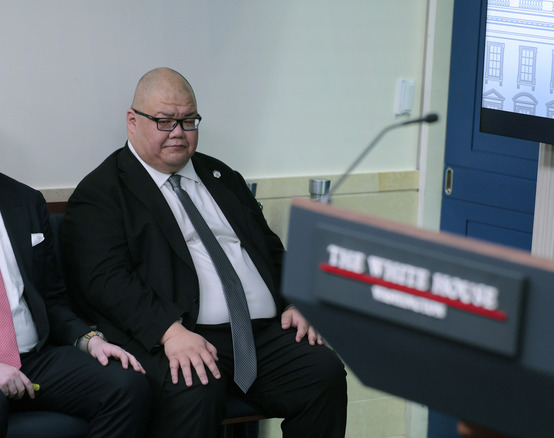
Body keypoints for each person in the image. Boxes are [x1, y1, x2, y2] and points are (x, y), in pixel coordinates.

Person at [61, 67, 347, 438]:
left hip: (259, 333)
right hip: (178, 333)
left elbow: (269, 249)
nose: (178, 133)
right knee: (194, 382)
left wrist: (295, 301)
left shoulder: (221, 176)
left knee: (321, 372)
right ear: (132, 121)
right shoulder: (102, 191)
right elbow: (104, 280)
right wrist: (168, 331)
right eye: (164, 121)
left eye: (188, 121)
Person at [0, 172, 149, 437]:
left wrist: (91, 341)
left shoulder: (25, 200)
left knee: (126, 386)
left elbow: (51, 299)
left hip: (34, 358)